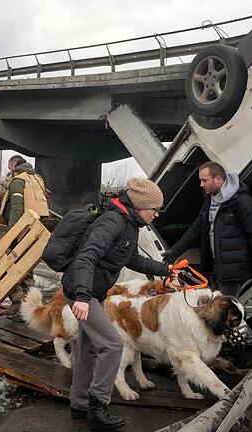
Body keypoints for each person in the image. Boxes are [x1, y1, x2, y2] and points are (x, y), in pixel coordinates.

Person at [62, 178, 175, 430]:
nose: (156, 214)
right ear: (140, 206)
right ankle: (98, 407)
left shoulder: (130, 224)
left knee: (87, 348)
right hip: (83, 290)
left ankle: (79, 405)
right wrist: (81, 296)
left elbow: (132, 259)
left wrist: (165, 270)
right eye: (154, 209)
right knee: (113, 345)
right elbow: (87, 256)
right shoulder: (112, 222)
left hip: (95, 291)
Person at [163, 161, 252, 296]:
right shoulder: (210, 199)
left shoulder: (241, 202)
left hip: (233, 272)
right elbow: (196, 229)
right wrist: (173, 252)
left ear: (218, 179)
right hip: (216, 267)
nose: (201, 185)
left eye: (204, 180)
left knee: (221, 311)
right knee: (213, 306)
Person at [0, 155, 49, 318]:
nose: (9, 170)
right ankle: (31, 305)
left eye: (9, 166)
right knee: (27, 268)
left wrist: (12, 234)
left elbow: (17, 207)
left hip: (22, 230)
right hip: (36, 229)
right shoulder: (36, 179)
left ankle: (18, 301)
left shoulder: (18, 181)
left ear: (13, 165)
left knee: (5, 265)